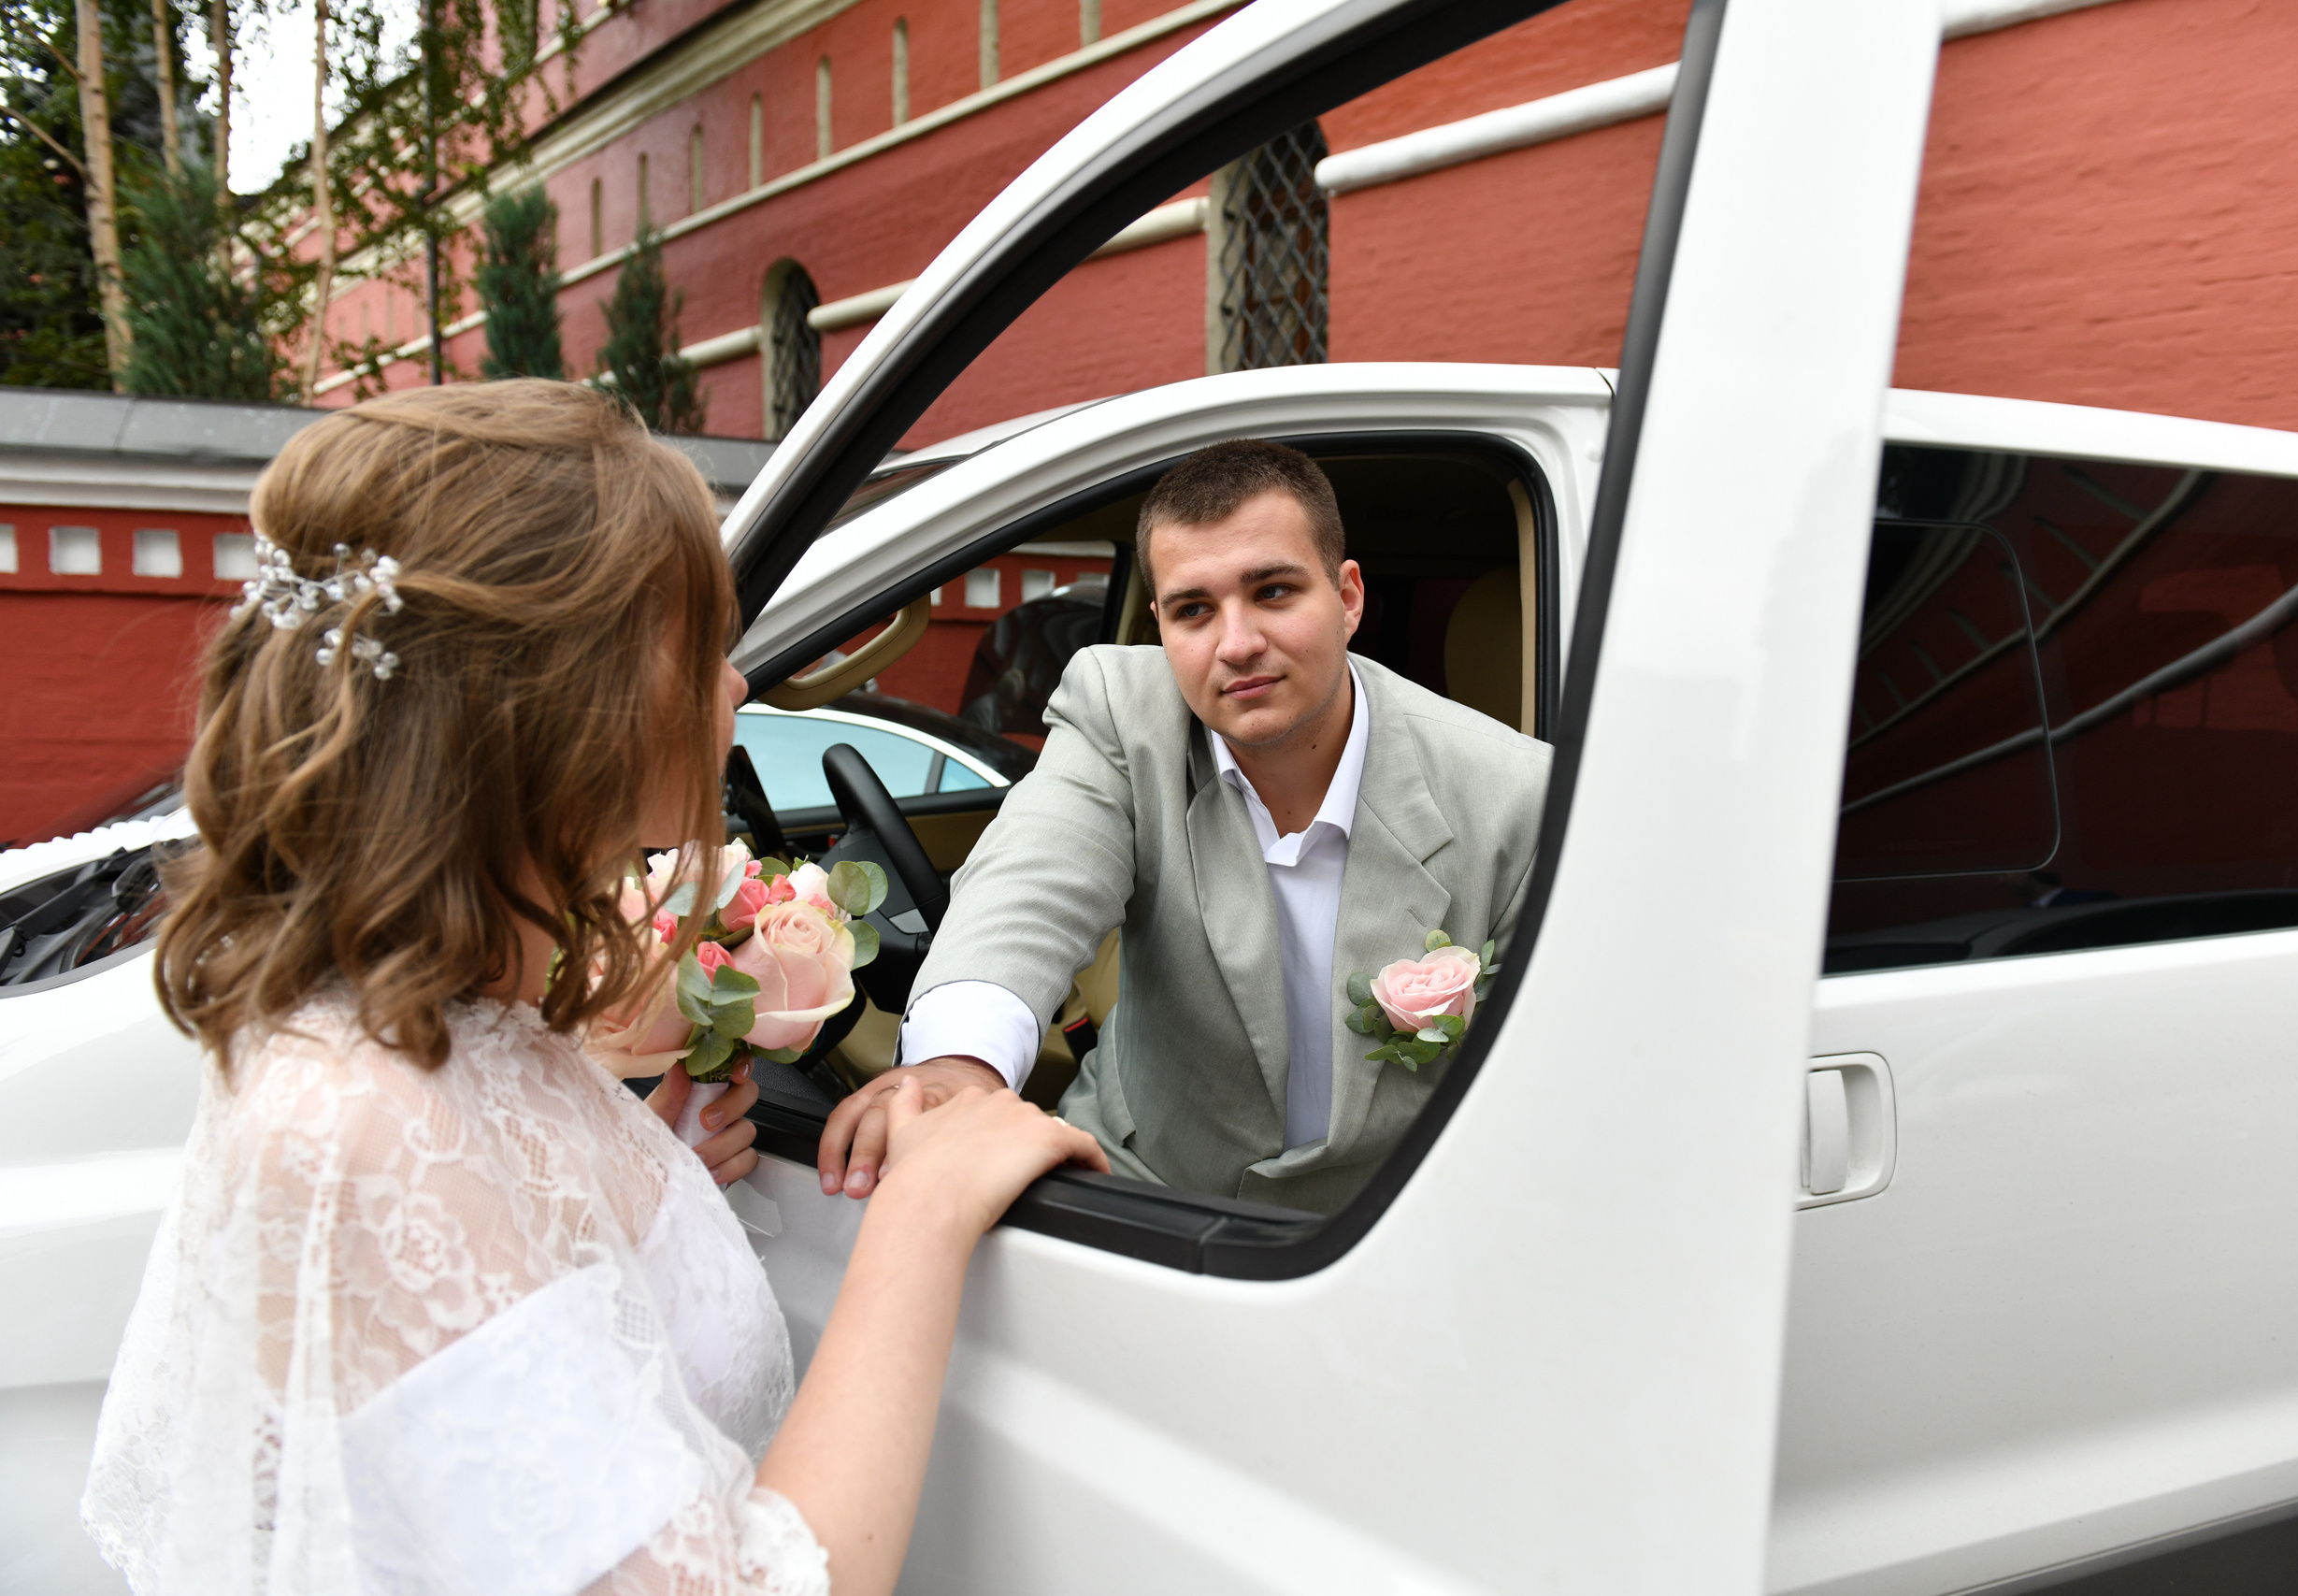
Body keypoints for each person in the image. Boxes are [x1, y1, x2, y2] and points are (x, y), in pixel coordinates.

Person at [81, 381, 1105, 1596]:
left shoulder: (467, 1020)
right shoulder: (366, 1114)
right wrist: (923, 1213)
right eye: (699, 645)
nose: (736, 687)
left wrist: (645, 1188)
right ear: (555, 701)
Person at [818, 439, 1550, 1214]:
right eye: (1194, 609)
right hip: (1140, 1182)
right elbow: (1029, 881)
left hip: (1384, 1225)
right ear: (1160, 624)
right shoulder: (1122, 711)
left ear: (1347, 597)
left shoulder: (1518, 795)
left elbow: (1532, 1090)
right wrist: (956, 1067)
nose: (1237, 644)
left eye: (1272, 591)